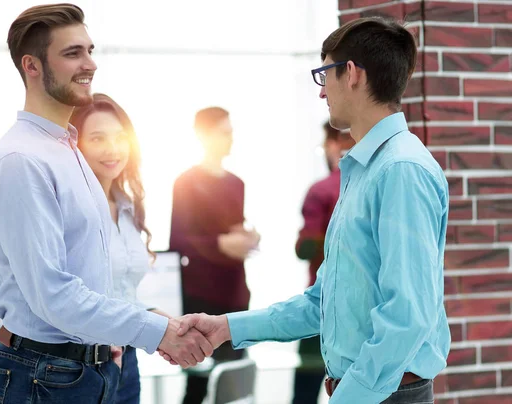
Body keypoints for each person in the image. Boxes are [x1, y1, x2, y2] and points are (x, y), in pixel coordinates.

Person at [167, 17, 451, 404]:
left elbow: (407, 316)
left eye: (324, 76)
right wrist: (226, 327)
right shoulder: (363, 170)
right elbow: (323, 302)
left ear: (350, 74)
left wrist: (346, 399)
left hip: (384, 395)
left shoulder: (401, 169)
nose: (321, 94)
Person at [0, 4, 212, 404]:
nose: (91, 64)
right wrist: (155, 332)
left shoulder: (67, 152)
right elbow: (54, 296)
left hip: (89, 370)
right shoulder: (21, 161)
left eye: (90, 50)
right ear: (31, 66)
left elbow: (98, 283)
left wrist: (156, 322)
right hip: (44, 375)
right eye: (72, 53)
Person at [70, 93, 173, 403]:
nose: (112, 149)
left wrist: (165, 320)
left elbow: (118, 294)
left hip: (126, 359)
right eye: (98, 138)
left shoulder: (128, 207)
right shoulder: (72, 209)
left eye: (120, 137)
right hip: (81, 364)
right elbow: (73, 294)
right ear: (76, 144)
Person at [169, 107, 260, 404]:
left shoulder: (237, 183)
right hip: (201, 300)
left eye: (231, 131)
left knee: (233, 387)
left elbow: (233, 228)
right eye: (225, 131)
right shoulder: (185, 182)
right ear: (204, 136)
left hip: (235, 299)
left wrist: (247, 237)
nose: (231, 138)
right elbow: (179, 240)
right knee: (197, 386)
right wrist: (222, 243)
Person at [292, 121, 346, 404]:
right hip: (362, 315)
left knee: (304, 394)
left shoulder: (322, 190)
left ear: (334, 145)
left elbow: (304, 248)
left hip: (321, 308)